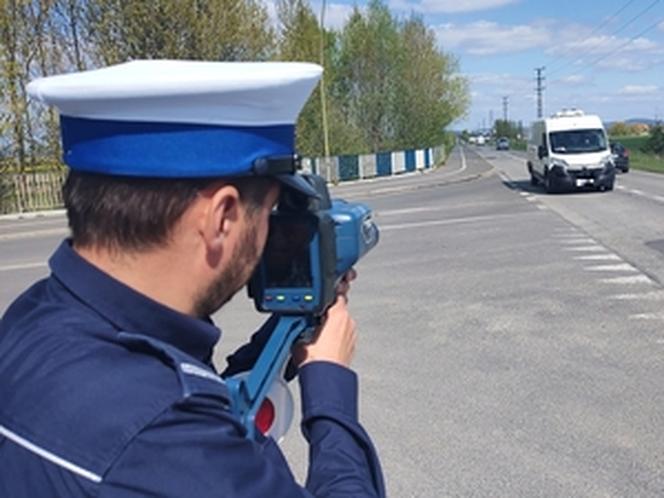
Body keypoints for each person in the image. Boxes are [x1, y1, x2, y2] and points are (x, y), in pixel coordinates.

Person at [0, 60, 385, 497]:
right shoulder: (166, 435)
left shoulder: (31, 318)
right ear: (221, 217)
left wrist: (280, 342)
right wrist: (329, 385)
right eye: (269, 214)